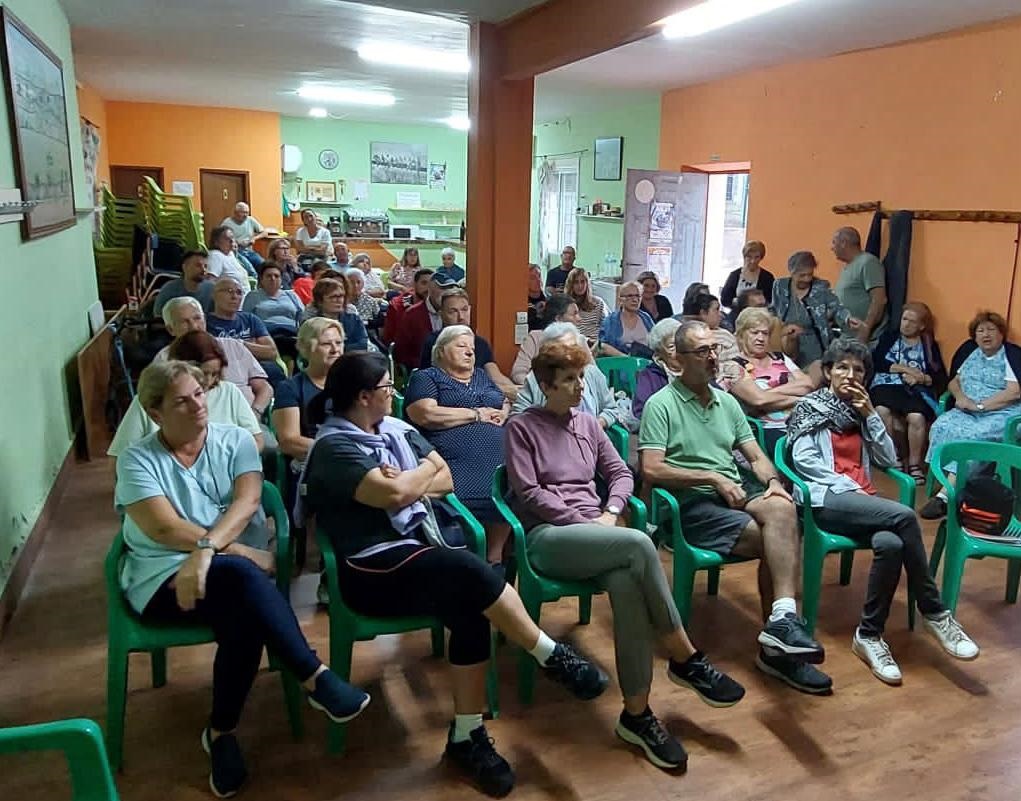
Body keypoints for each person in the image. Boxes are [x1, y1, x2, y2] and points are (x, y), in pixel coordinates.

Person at [299, 351, 610, 798]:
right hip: (368, 571)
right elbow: (394, 493)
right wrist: (414, 476)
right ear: (364, 397)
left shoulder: (396, 433)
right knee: (465, 566)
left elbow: (444, 479)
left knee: (470, 606)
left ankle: (467, 735)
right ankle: (548, 654)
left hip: (413, 559)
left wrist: (412, 475)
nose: (393, 394)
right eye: (387, 388)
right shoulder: (335, 447)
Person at [115, 360, 369, 798]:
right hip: (163, 579)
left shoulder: (234, 440)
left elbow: (249, 501)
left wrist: (207, 551)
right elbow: (163, 528)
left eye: (199, 393)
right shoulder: (138, 460)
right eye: (183, 400)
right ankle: (313, 676)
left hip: (224, 575)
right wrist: (225, 551)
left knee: (243, 616)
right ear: (156, 413)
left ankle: (221, 733)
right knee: (242, 577)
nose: (198, 404)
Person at [505, 337, 745, 770]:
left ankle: (637, 715)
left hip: (600, 533)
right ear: (545, 384)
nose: (580, 387)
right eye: (569, 380)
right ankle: (685, 656)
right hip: (550, 539)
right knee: (638, 543)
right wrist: (588, 523)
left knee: (626, 581)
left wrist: (612, 510)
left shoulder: (588, 424)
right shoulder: (523, 427)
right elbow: (529, 493)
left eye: (581, 377)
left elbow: (620, 472)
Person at [639, 320, 831, 694]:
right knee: (779, 540)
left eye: (714, 349)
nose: (713, 357)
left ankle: (783, 621)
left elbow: (756, 455)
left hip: (734, 494)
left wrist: (773, 482)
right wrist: (711, 478)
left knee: (783, 509)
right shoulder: (661, 404)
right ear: (679, 359)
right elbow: (651, 468)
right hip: (689, 506)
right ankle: (779, 651)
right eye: (702, 351)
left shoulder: (726, 402)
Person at [787, 338, 978, 685]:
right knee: (904, 516)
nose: (849, 375)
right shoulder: (809, 408)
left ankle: (869, 635)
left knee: (891, 543)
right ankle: (935, 611)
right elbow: (805, 463)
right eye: (842, 367)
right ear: (828, 371)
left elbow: (888, 459)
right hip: (824, 499)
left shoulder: (861, 411)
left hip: (861, 501)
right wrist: (855, 492)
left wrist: (870, 414)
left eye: (857, 370)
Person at [405, 325, 511, 563]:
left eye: (472, 348)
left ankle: (494, 561)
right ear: (441, 351)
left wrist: (503, 413)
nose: (470, 352)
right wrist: (476, 414)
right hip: (454, 460)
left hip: (499, 457)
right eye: (461, 346)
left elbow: (503, 400)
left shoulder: (482, 376)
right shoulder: (427, 377)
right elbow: (425, 414)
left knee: (510, 490)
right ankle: (466, 561)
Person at [921, 311, 1021, 519]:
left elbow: (1014, 392)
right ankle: (952, 481)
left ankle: (945, 496)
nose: (986, 334)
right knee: (942, 425)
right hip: (968, 409)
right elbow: (953, 382)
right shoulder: (972, 353)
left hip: (1001, 413)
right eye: (980, 331)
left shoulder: (1010, 355)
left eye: (991, 330)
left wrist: (981, 406)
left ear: (1001, 334)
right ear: (974, 336)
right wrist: (960, 398)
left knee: (973, 437)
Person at [108, 331, 263, 458]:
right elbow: (118, 458)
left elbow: (256, 440)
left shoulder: (229, 392)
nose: (208, 382)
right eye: (202, 374)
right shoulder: (149, 399)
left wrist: (233, 465)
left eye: (214, 374)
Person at [869, 302, 947, 483]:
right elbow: (878, 361)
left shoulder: (928, 344)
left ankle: (915, 465)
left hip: (915, 390)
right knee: (882, 410)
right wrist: (907, 369)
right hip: (886, 385)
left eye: (912, 321)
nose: (906, 324)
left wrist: (921, 379)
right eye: (904, 319)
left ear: (921, 326)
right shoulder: (889, 337)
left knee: (916, 417)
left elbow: (940, 376)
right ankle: (892, 457)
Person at [157, 297, 272, 416]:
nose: (194, 326)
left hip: (248, 418)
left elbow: (264, 388)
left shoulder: (233, 346)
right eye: (184, 322)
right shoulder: (164, 359)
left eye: (197, 318)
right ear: (171, 329)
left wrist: (255, 412)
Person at [728, 307, 814, 454]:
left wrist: (768, 393)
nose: (761, 338)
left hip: (803, 421)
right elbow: (758, 401)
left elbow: (808, 384)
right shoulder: (733, 366)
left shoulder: (780, 358)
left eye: (765, 333)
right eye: (754, 333)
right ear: (741, 335)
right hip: (767, 430)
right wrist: (800, 398)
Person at [513, 323, 623, 430]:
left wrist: (596, 425)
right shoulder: (535, 379)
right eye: (562, 350)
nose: (570, 356)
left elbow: (611, 409)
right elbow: (517, 419)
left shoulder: (593, 373)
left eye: (573, 349)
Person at [418, 288, 518, 400]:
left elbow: (496, 376)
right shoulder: (434, 341)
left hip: (483, 396)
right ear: (441, 315)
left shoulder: (480, 343)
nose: (461, 317)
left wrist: (517, 391)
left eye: (464, 310)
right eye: (453, 311)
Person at [770, 250, 859, 372]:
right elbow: (773, 310)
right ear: (792, 272)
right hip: (787, 341)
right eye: (802, 275)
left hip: (814, 344)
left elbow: (837, 306)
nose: (806, 279)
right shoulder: (780, 286)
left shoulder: (820, 287)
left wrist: (847, 318)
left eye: (809, 274)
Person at [206, 277, 285, 388]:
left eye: (239, 293)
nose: (234, 297)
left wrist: (239, 344)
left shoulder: (250, 319)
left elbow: (271, 352)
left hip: (255, 366)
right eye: (229, 291)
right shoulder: (205, 322)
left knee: (273, 370)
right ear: (214, 295)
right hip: (224, 368)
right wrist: (253, 347)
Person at [832, 226, 887, 345]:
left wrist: (866, 328)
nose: (832, 248)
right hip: (847, 336)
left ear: (843, 243)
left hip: (865, 339)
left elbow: (879, 299)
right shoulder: (848, 267)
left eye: (834, 242)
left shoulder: (868, 262)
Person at [512, 293, 581, 385]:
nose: (579, 319)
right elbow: (518, 373)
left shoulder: (580, 340)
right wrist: (539, 389)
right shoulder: (535, 338)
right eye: (574, 314)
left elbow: (591, 373)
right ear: (558, 319)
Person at [394, 272, 458, 370]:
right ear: (430, 288)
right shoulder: (412, 314)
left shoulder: (456, 313)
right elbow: (401, 352)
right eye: (442, 288)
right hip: (422, 370)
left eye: (450, 289)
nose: (446, 293)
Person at [242, 262, 304, 359]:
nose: (273, 278)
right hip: (266, 334)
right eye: (269, 276)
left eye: (276, 276)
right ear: (261, 279)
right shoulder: (253, 296)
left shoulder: (291, 295)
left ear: (281, 279)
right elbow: (245, 320)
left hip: (291, 332)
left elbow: (302, 317)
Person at [683, 293, 741, 388]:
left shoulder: (725, 336)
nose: (721, 315)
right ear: (703, 313)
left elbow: (734, 367)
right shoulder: (682, 336)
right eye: (716, 310)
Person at [299, 276, 370, 352]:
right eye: (333, 297)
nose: (339, 300)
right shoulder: (312, 324)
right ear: (320, 301)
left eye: (341, 296)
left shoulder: (353, 319)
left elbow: (363, 344)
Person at [633, 318, 681, 420]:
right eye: (672, 346)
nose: (679, 351)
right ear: (659, 352)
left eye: (681, 344)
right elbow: (641, 411)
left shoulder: (695, 368)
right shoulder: (650, 376)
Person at [598, 280, 654, 357]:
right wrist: (626, 358)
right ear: (621, 299)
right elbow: (603, 346)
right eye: (630, 296)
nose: (635, 300)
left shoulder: (646, 318)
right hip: (620, 363)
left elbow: (657, 342)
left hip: (646, 361)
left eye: (638, 296)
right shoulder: (611, 321)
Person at [153, 251, 214, 316]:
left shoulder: (212, 289)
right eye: (198, 265)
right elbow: (158, 316)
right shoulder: (169, 289)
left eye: (205, 266)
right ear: (185, 267)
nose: (203, 269)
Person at [382, 268, 433, 345]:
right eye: (424, 283)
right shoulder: (397, 307)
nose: (428, 288)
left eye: (431, 284)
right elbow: (389, 338)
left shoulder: (439, 307)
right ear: (414, 284)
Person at [721, 241, 775, 308]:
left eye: (756, 257)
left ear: (761, 257)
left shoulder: (767, 277)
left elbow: (772, 301)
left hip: (759, 315)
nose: (753, 261)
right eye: (749, 257)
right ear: (744, 257)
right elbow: (724, 300)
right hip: (737, 315)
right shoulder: (734, 275)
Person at [565, 267, 609, 341]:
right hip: (575, 343)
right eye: (576, 282)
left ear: (587, 283)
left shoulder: (598, 303)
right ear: (571, 285)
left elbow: (607, 327)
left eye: (582, 282)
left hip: (596, 343)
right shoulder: (565, 304)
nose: (580, 286)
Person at [220, 202, 269, 268]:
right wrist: (236, 242)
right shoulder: (227, 223)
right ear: (235, 213)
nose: (245, 215)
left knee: (263, 264)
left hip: (249, 252)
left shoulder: (250, 220)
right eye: (243, 212)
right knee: (246, 267)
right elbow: (221, 239)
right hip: (234, 253)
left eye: (247, 212)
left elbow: (265, 233)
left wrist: (254, 238)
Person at [205, 226, 251, 297]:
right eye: (227, 238)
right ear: (216, 242)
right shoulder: (215, 256)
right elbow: (210, 281)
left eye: (232, 237)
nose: (232, 240)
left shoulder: (230, 254)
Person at [527, 264, 547, 331]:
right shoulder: (522, 304)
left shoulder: (549, 301)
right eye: (533, 278)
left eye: (539, 276)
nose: (538, 280)